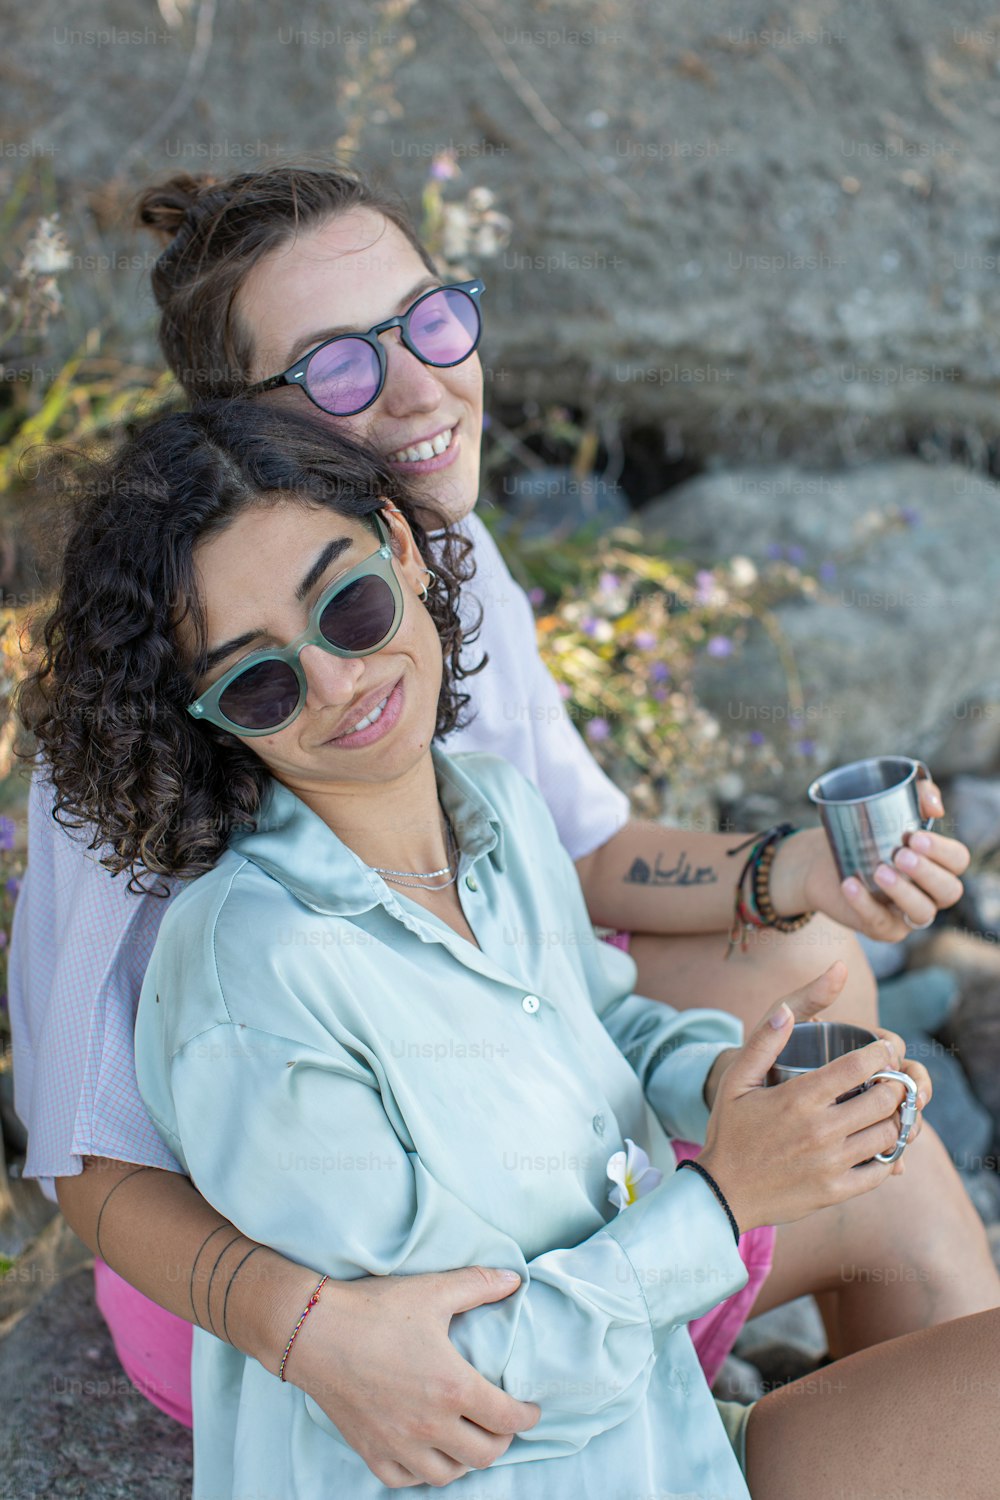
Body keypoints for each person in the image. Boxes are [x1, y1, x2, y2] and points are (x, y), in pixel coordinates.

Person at [8, 164, 993, 1484]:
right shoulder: (187, 838)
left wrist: (783, 876)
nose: (419, 389)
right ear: (245, 432)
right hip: (280, 1263)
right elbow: (87, 1153)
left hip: (503, 1143)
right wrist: (307, 1336)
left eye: (429, 321)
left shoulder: (451, 585)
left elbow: (581, 870)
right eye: (336, 370)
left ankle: (773, 1382)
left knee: (819, 1005)